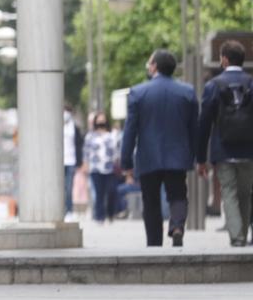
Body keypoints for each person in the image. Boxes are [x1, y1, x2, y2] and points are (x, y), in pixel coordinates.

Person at [120, 50, 200, 247]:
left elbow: (130, 130)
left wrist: (126, 162)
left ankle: (154, 244)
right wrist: (200, 157)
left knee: (151, 201)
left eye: (149, 63)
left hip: (148, 156)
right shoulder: (187, 92)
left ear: (154, 65)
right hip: (178, 156)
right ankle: (177, 226)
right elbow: (195, 129)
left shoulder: (138, 93)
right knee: (178, 195)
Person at [197, 41, 253, 246]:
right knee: (246, 192)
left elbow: (203, 123)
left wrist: (201, 158)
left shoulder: (213, 85)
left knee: (229, 191)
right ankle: (243, 232)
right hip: (249, 149)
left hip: (223, 149)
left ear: (225, 59)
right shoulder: (251, 82)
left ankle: (237, 236)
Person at [84, 112, 121, 224]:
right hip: (95, 168)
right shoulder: (90, 136)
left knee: (111, 191)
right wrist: (86, 164)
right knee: (99, 193)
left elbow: (117, 152)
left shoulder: (111, 135)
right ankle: (99, 216)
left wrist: (118, 163)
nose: (101, 122)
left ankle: (110, 213)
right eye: (99, 119)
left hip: (110, 168)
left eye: (103, 119)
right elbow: (86, 152)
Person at [63, 105, 84, 220]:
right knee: (61, 187)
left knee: (69, 187)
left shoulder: (74, 128)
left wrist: (80, 162)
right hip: (59, 162)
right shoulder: (56, 126)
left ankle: (69, 210)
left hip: (71, 160)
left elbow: (79, 145)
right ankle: (62, 209)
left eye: (67, 111)